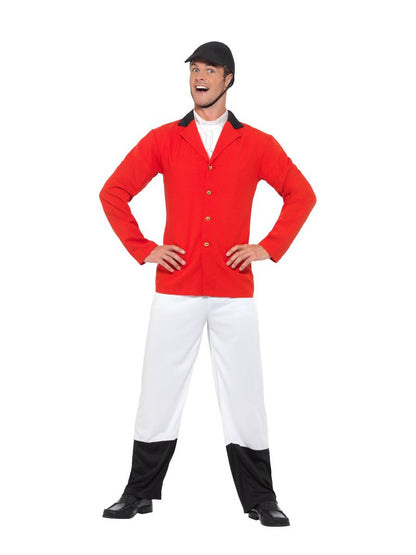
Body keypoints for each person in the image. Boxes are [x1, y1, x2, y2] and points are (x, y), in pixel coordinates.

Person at [99, 41, 316, 527]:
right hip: (175, 288)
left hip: (233, 291)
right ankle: (139, 492)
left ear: (228, 78)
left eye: (210, 70)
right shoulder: (163, 139)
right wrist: (144, 248)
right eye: (194, 69)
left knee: (245, 395)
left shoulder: (257, 143)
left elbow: (301, 194)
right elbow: (113, 192)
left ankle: (261, 497)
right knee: (158, 391)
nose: (199, 76)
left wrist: (267, 246)